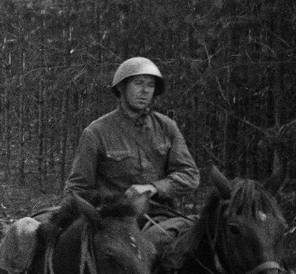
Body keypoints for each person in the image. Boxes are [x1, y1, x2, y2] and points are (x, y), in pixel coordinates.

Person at [64, 56, 199, 242]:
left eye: (150, 85)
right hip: (117, 222)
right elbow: (77, 189)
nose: (145, 91)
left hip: (162, 217)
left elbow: (190, 175)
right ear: (122, 87)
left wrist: (153, 188)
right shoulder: (96, 132)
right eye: (138, 83)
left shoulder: (167, 127)